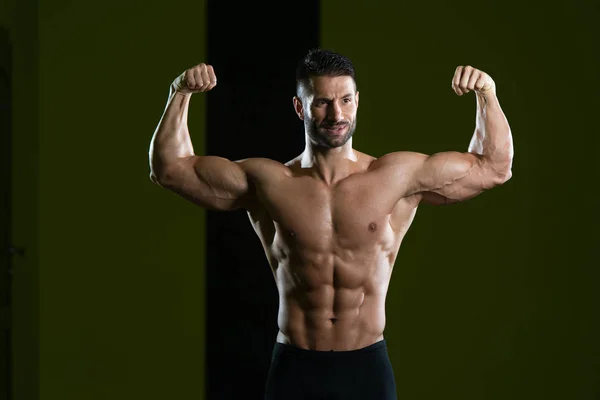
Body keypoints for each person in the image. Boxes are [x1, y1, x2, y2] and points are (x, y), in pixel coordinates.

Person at [148, 48, 514, 400]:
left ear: (358, 101)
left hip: (366, 367)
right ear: (299, 107)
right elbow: (170, 169)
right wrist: (179, 94)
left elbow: (493, 167)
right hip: (295, 365)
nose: (336, 114)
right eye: (321, 102)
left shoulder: (396, 177)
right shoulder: (270, 182)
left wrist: (487, 94)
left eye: (345, 100)